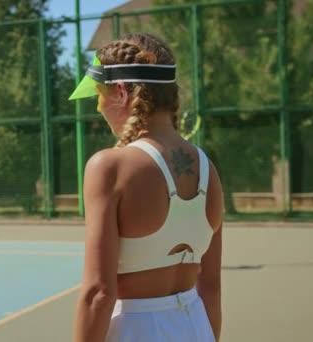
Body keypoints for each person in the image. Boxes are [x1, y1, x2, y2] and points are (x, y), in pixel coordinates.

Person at [70, 33, 224, 342]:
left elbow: (99, 293)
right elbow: (210, 287)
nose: (98, 107)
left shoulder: (108, 167)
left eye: (100, 93)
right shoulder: (208, 169)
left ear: (122, 92)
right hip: (196, 327)